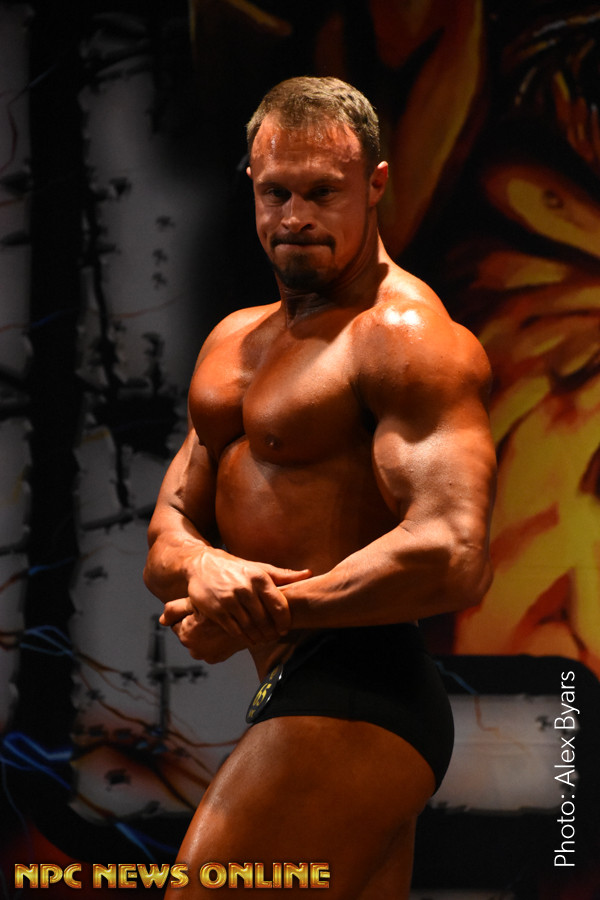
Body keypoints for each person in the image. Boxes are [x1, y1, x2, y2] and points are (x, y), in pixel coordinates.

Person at [143, 75, 496, 898]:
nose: (295, 216)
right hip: (307, 689)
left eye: (322, 193)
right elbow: (168, 532)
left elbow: (453, 553)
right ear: (251, 185)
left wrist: (267, 610)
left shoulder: (404, 336)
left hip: (361, 689)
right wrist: (207, 569)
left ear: (375, 184)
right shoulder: (233, 344)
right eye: (276, 192)